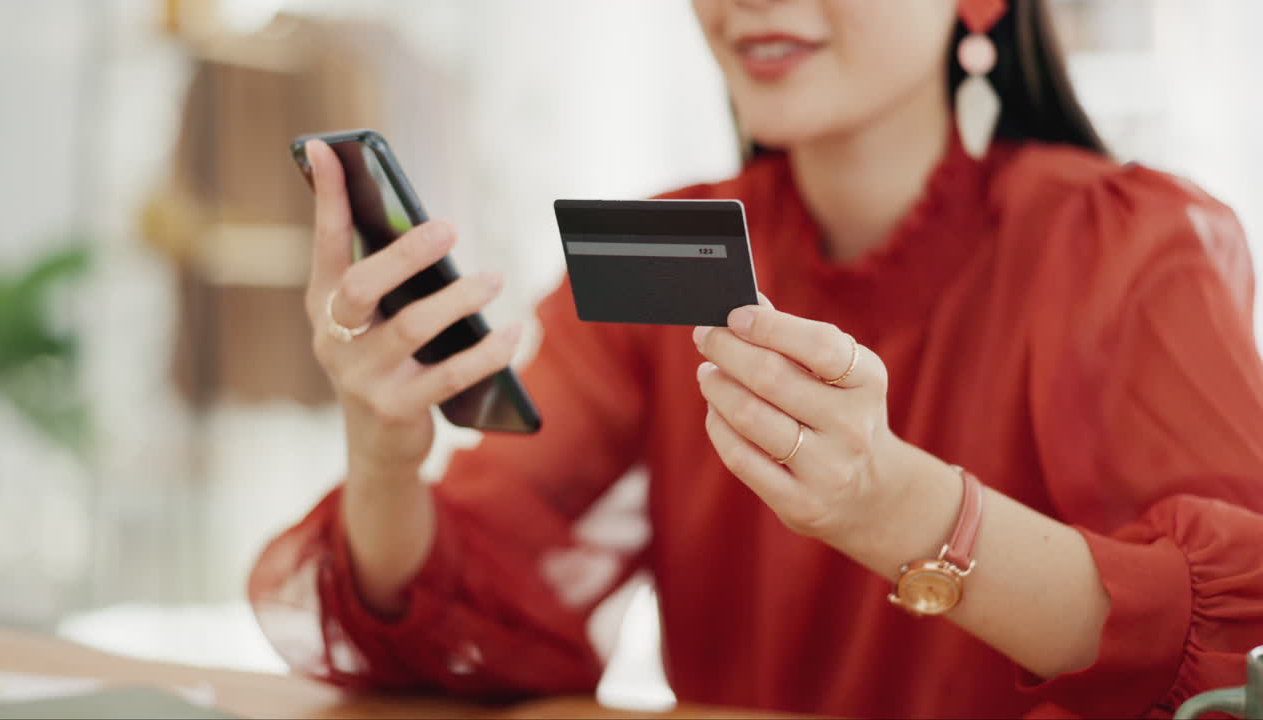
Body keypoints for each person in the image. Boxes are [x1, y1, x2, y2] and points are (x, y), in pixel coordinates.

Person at [248, 0, 1263, 717]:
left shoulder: (1130, 248)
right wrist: (384, 453)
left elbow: (1237, 648)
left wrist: (907, 512)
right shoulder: (662, 251)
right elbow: (457, 601)